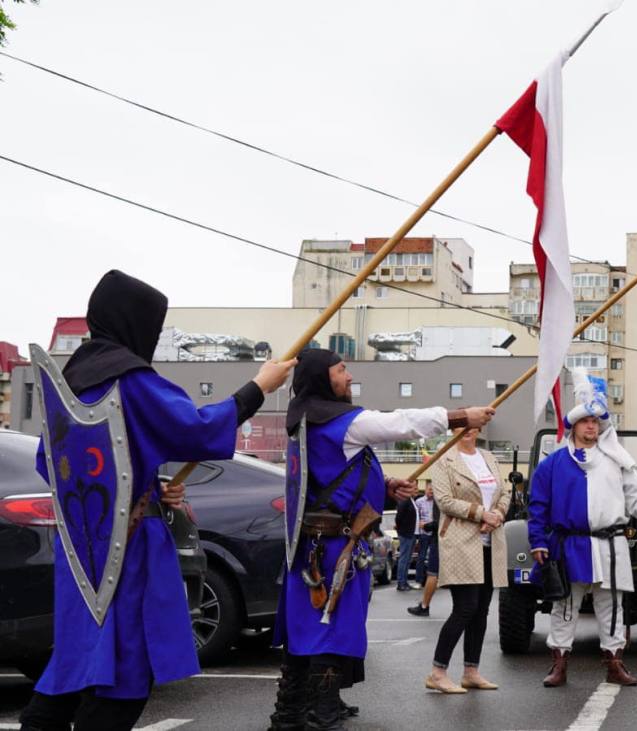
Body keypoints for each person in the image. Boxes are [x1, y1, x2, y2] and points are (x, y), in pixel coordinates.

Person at [19, 271, 295, 731]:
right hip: (127, 552)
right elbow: (196, 429)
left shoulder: (69, 384)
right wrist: (259, 387)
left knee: (76, 659)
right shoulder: (129, 380)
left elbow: (55, 465)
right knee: (126, 669)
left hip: (81, 550)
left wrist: (145, 487)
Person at [267, 349, 493, 730]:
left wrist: (384, 486)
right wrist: (460, 417)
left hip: (315, 546)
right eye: (341, 370)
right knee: (329, 629)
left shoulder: (307, 422)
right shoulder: (342, 423)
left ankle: (296, 712)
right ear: (323, 379)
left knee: (311, 627)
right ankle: (319, 714)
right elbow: (401, 422)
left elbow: (329, 478)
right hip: (332, 550)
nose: (349, 376)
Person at [527, 371, 637, 688]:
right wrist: (538, 541)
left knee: (612, 608)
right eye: (585, 421)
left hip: (610, 545)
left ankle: (614, 664)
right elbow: (538, 506)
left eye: (595, 421)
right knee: (565, 606)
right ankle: (559, 664)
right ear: (574, 425)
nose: (591, 426)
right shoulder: (551, 464)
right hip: (569, 546)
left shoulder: (617, 461)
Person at [422, 426, 512, 694]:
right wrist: (482, 514)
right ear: (453, 430)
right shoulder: (444, 460)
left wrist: (498, 514)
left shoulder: (489, 457)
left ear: (479, 429)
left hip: (490, 540)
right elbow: (444, 501)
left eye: (471, 425)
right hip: (461, 541)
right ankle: (437, 672)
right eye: (461, 425)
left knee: (481, 610)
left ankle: (471, 671)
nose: (467, 431)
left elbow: (505, 492)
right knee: (465, 607)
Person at [406, 485, 442, 617]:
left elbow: (440, 522)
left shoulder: (441, 500)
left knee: (432, 573)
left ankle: (424, 606)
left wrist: (426, 526)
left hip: (440, 538)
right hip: (438, 537)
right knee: (423, 560)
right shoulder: (422, 501)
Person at [394, 492, 418, 591]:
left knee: (408, 560)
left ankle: (404, 581)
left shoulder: (412, 501)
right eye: (414, 489)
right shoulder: (405, 501)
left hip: (412, 533)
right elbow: (398, 517)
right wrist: (401, 530)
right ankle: (401, 583)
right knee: (404, 559)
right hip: (406, 533)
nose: (416, 491)